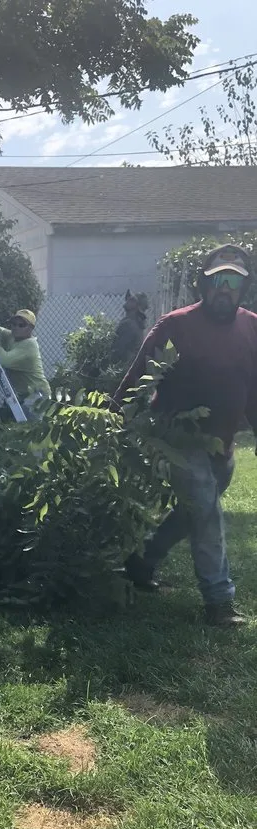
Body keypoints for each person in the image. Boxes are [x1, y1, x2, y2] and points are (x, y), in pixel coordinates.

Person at [116, 244, 257, 627]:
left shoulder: (252, 326)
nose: (224, 289)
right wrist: (113, 422)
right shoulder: (176, 325)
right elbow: (136, 379)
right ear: (203, 283)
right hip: (177, 440)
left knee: (191, 514)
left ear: (243, 287)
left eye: (233, 281)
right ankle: (219, 602)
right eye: (217, 280)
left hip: (222, 446)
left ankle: (142, 561)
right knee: (207, 513)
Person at [0, 309, 51, 420]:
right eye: (13, 324)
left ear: (31, 328)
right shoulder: (13, 336)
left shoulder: (29, 346)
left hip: (37, 394)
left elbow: (4, 360)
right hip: (26, 393)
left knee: (31, 427)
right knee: (23, 425)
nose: (15, 327)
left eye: (21, 325)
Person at [112, 290, 149, 366]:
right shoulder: (137, 323)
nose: (127, 300)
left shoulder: (128, 324)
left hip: (123, 368)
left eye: (131, 299)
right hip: (132, 367)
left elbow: (118, 350)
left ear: (136, 305)